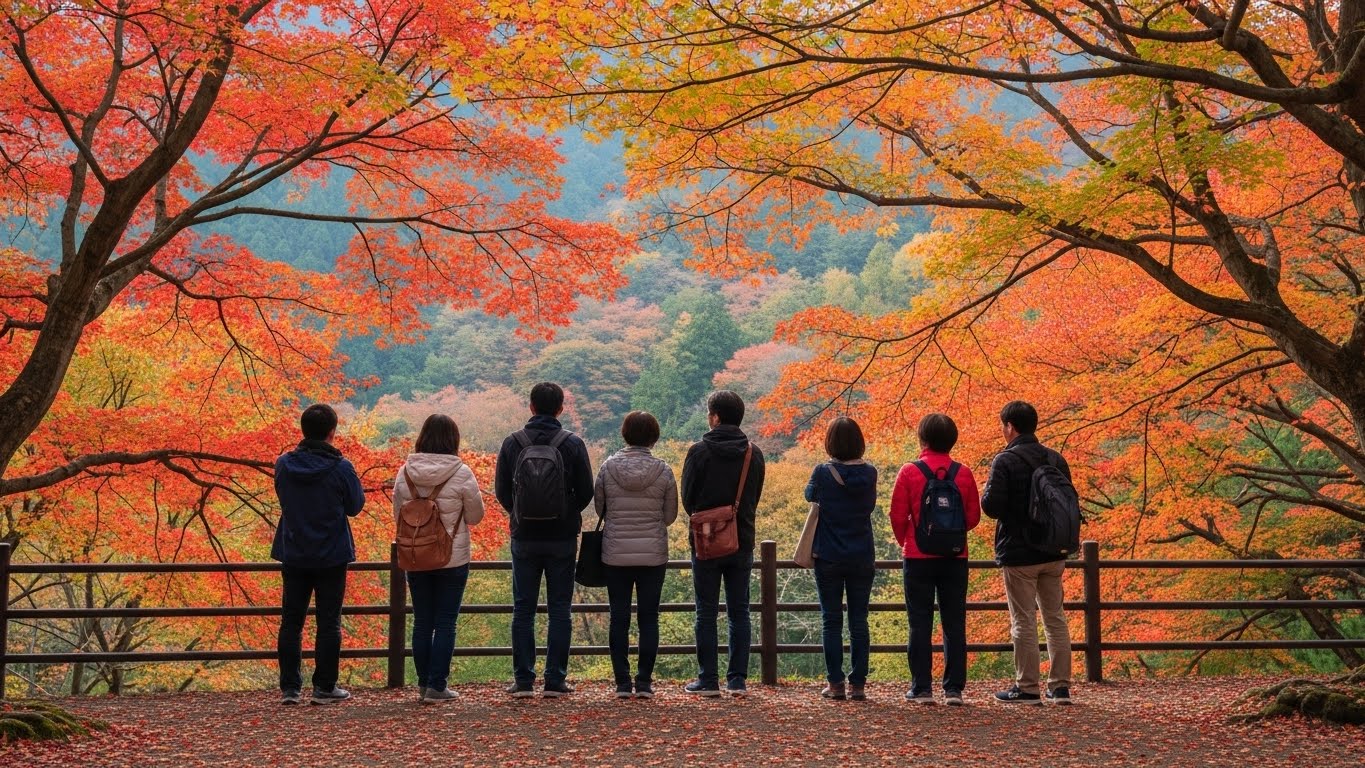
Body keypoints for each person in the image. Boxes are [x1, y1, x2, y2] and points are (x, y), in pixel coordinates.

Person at [494, 382, 593, 698]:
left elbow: (501, 492)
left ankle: (523, 681)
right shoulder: (572, 444)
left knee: (523, 607)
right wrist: (565, 511)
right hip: (562, 537)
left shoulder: (513, 443)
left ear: (531, 407)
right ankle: (555, 681)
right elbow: (587, 491)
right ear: (561, 408)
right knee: (560, 608)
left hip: (524, 537)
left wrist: (520, 512)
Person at [272, 403, 365, 706]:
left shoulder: (284, 464)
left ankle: (289, 688)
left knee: (291, 621)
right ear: (332, 432)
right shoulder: (341, 468)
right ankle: (325, 687)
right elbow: (355, 506)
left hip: (294, 551)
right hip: (331, 554)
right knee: (329, 622)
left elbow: (284, 497)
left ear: (303, 430)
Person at [982, 400, 1074, 705]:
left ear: (1010, 426)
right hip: (1053, 550)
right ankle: (1060, 687)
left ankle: (1028, 687)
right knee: (1055, 617)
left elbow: (992, 507)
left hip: (1019, 553)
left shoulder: (1005, 461)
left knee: (1023, 619)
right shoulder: (1055, 459)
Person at [392, 414, 485, 704]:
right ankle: (437, 686)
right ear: (453, 440)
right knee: (446, 621)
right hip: (452, 558)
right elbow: (476, 516)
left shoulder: (405, 472)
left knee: (422, 621)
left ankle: (422, 684)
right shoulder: (461, 473)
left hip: (416, 555)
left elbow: (398, 516)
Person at [889, 413, 981, 706]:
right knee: (954, 622)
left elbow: (896, 514)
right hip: (955, 556)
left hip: (918, 557)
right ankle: (954, 689)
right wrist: (951, 536)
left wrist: (909, 540)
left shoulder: (909, 472)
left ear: (922, 438)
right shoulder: (963, 473)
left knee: (919, 622)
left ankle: (921, 688)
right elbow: (973, 517)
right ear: (951, 439)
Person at [681, 390, 766, 697]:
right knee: (739, 610)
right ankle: (737, 680)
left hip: (705, 539)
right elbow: (754, 497)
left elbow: (687, 499)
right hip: (741, 539)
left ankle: (708, 679)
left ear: (714, 417)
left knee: (705, 610)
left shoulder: (699, 451)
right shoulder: (752, 453)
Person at [593, 411, 679, 699]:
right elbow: (669, 516)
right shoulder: (664, 471)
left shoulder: (607, 468)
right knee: (648, 618)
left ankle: (621, 683)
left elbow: (599, 510)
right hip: (653, 555)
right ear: (654, 437)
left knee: (618, 616)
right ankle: (643, 683)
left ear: (624, 434)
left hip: (615, 553)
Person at [805, 416, 878, 702]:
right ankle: (858, 684)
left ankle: (835, 684)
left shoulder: (823, 473)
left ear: (830, 443)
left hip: (829, 555)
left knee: (831, 620)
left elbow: (809, 495)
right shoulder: (870, 473)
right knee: (859, 620)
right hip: (861, 553)